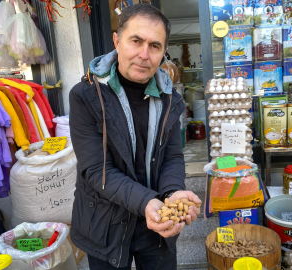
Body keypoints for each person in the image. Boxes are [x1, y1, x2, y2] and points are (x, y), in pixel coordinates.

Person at [69, 4, 201, 270]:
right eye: (136, 41)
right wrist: (145, 202)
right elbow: (96, 169)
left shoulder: (169, 99)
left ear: (164, 51)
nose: (144, 54)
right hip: (105, 221)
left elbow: (172, 156)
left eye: (154, 46)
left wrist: (173, 191)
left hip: (157, 223)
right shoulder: (86, 96)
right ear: (117, 41)